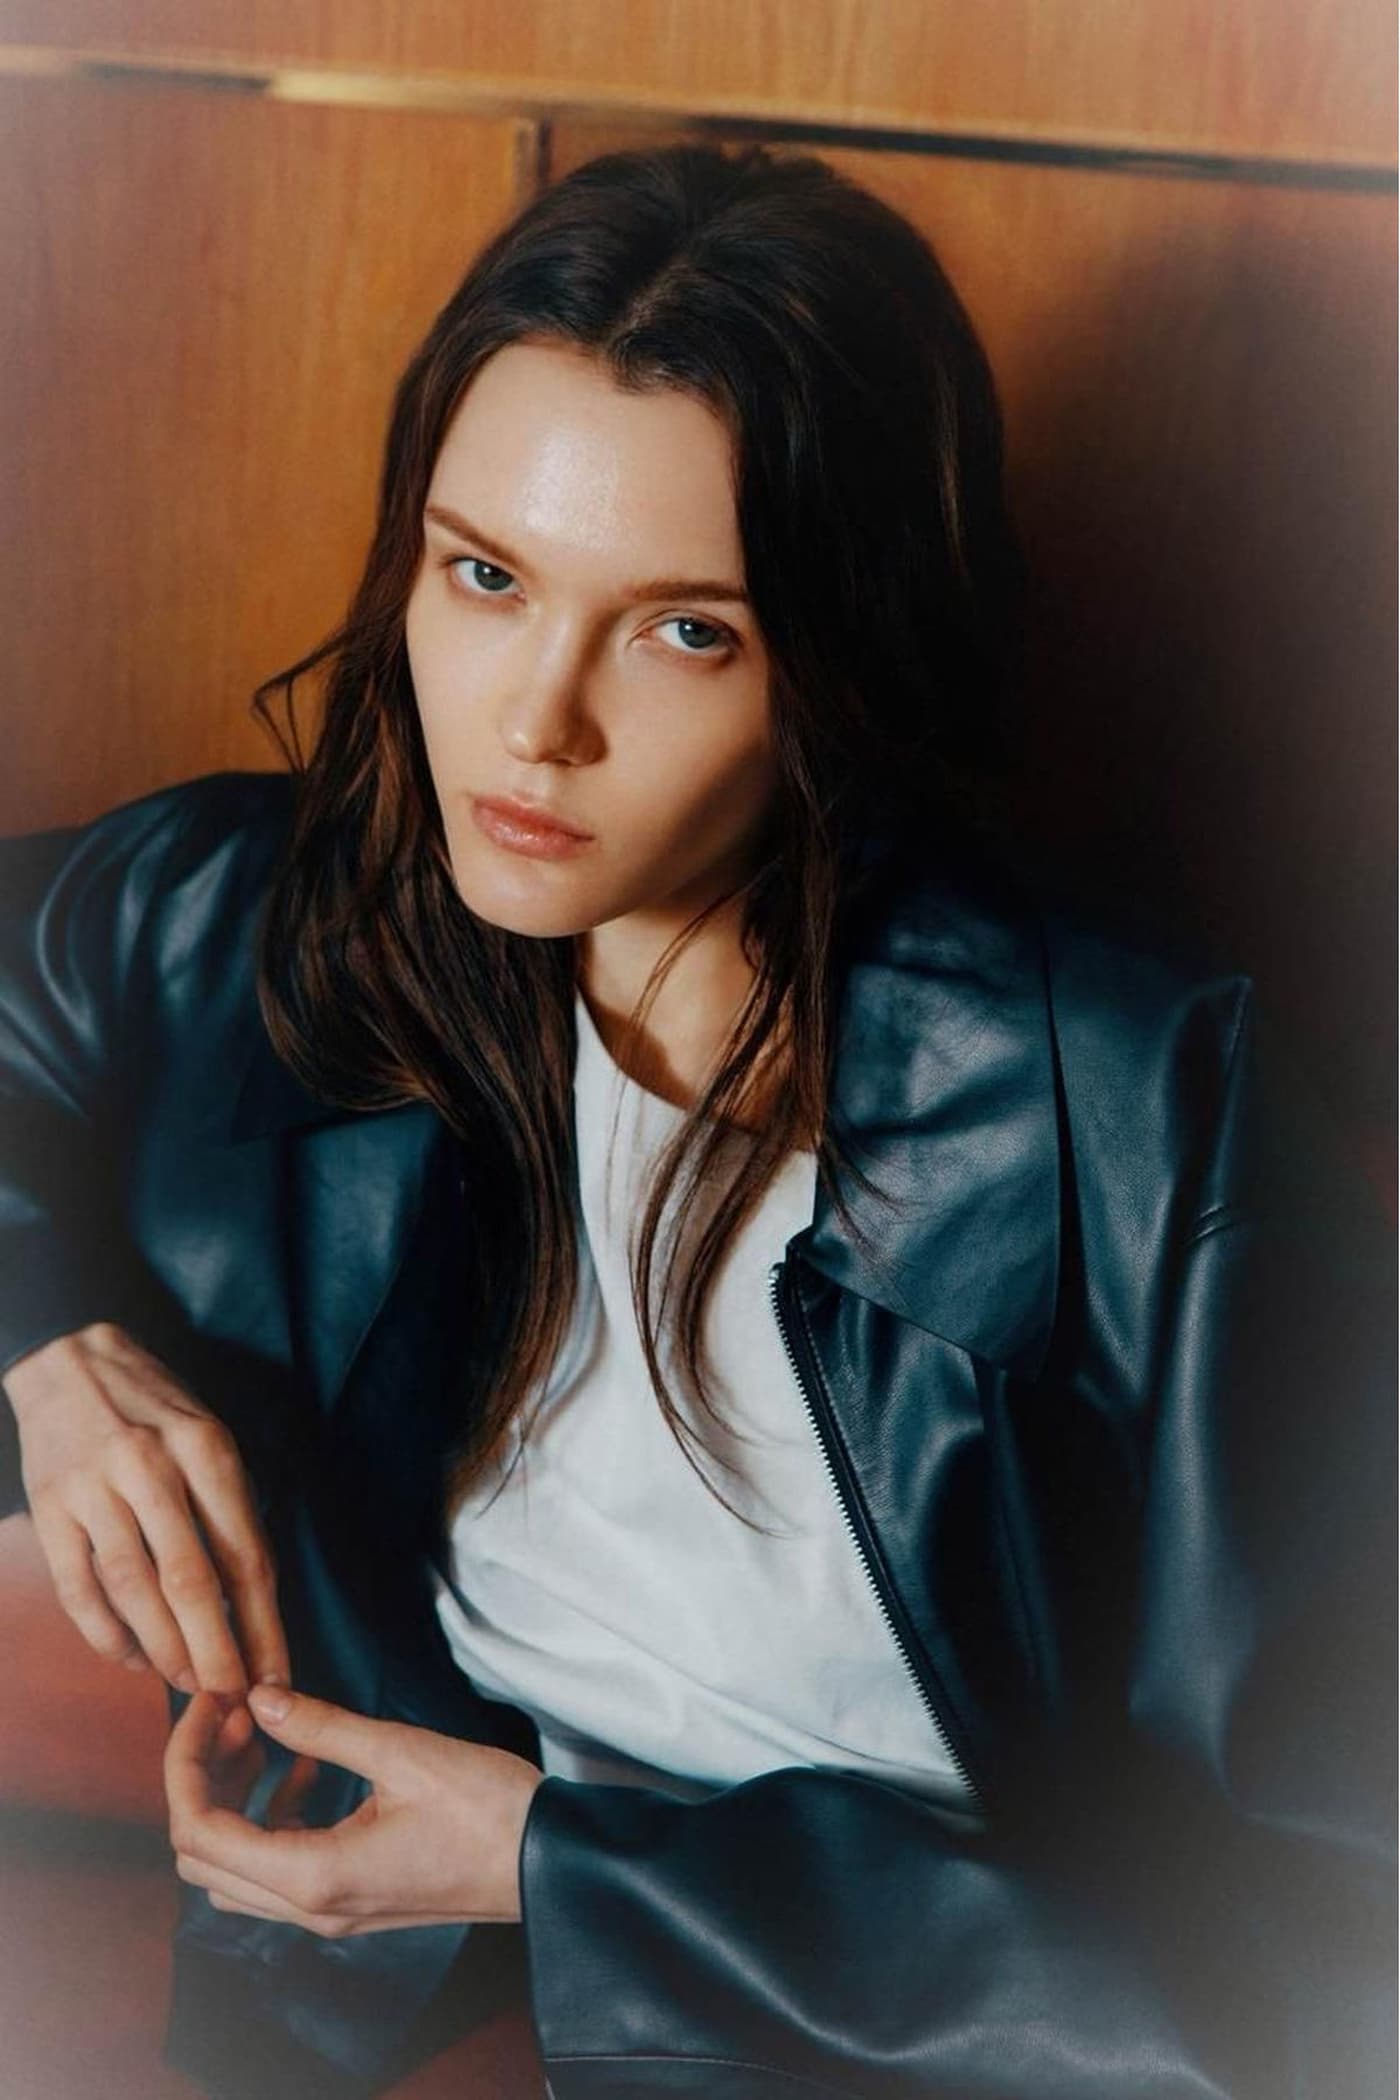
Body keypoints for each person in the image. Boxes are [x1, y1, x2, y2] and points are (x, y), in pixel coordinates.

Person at [0, 142, 1392, 2100]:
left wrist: (560, 1870)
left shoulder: (1139, 1111)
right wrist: (49, 1350)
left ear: (844, 662)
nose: (534, 722)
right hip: (408, 2016)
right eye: (486, 576)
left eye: (685, 631)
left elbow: (1339, 1954)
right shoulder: (272, 921)